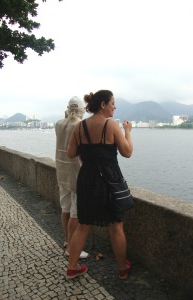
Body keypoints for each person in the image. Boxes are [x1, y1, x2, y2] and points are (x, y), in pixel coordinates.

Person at [66, 89, 133, 279]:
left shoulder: (80, 127)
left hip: (87, 179)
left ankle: (72, 267)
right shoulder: (111, 125)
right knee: (116, 225)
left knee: (83, 224)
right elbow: (127, 152)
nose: (114, 107)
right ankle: (122, 269)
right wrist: (127, 132)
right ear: (103, 104)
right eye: (112, 103)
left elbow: (70, 154)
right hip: (109, 181)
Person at [55, 96, 89, 259]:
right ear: (82, 110)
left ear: (67, 109)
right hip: (76, 172)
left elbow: (66, 122)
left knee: (65, 209)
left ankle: (67, 241)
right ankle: (72, 248)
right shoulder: (79, 125)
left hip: (61, 171)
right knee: (75, 213)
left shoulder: (59, 124)